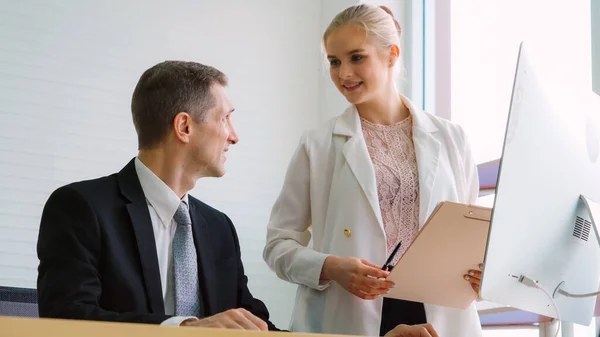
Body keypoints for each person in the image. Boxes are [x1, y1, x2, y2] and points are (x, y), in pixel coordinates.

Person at [263, 4, 483, 337]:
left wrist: (481, 275)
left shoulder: (453, 139)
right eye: (334, 62)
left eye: (356, 57)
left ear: (391, 54)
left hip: (440, 315)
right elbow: (278, 246)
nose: (343, 74)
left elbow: (470, 238)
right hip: (348, 314)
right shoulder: (317, 145)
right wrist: (330, 267)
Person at [36, 61, 277, 330]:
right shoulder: (81, 207)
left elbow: (255, 324)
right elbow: (67, 317)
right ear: (184, 126)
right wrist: (183, 329)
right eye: (224, 119)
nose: (234, 136)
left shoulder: (219, 228)